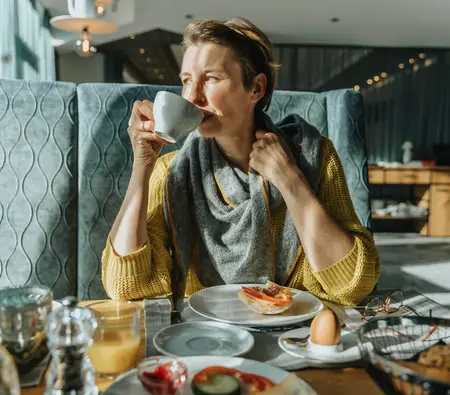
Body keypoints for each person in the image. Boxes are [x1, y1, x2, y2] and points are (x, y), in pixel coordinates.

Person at [102, 17, 380, 306]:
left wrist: (290, 180)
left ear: (256, 89)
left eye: (211, 78)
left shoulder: (314, 157)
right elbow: (125, 285)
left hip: (292, 333)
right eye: (186, 80)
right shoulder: (171, 172)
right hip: (205, 336)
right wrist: (142, 165)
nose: (193, 97)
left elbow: (354, 285)